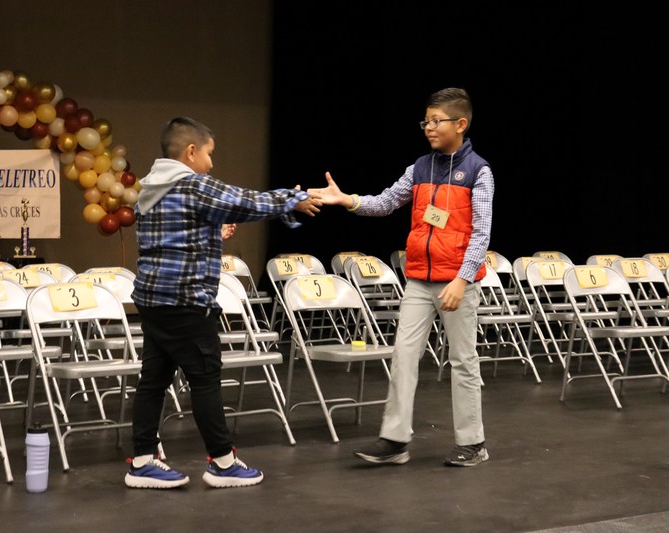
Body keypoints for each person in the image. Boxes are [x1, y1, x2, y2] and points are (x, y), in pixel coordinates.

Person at [126, 116, 321, 489]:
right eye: (210, 154)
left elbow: (180, 234)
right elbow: (244, 201)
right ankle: (223, 462)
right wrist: (293, 198)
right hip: (184, 302)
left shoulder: (150, 189)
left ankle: (142, 460)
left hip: (152, 301)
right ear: (191, 151)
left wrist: (214, 228)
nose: (212, 163)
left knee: (153, 380)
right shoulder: (192, 186)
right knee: (204, 379)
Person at [308, 87, 493, 467]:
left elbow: (481, 232)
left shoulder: (479, 171)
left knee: (462, 360)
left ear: (461, 123)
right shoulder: (419, 167)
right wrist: (348, 200)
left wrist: (461, 279)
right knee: (404, 356)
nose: (428, 127)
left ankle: (473, 443)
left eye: (436, 121)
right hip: (419, 280)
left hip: (458, 282)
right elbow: (387, 202)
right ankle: (395, 440)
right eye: (425, 120)